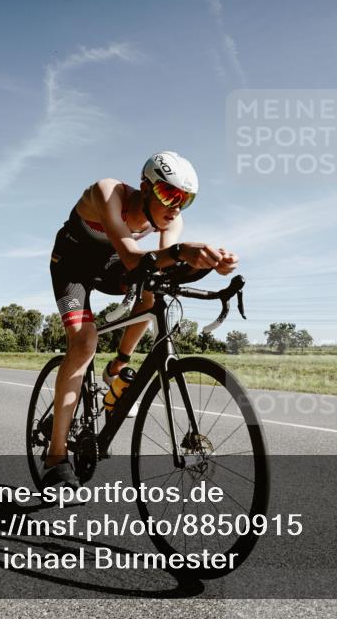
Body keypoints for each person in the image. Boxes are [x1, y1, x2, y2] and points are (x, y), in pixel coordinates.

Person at [44, 151, 238, 490]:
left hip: (110, 265)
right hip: (72, 265)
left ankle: (117, 367)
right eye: (169, 194)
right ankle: (55, 457)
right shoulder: (108, 192)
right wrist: (181, 252)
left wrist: (209, 264)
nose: (176, 207)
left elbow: (164, 267)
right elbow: (134, 258)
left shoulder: (171, 220)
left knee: (152, 289)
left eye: (186, 200)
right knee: (85, 342)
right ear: (145, 188)